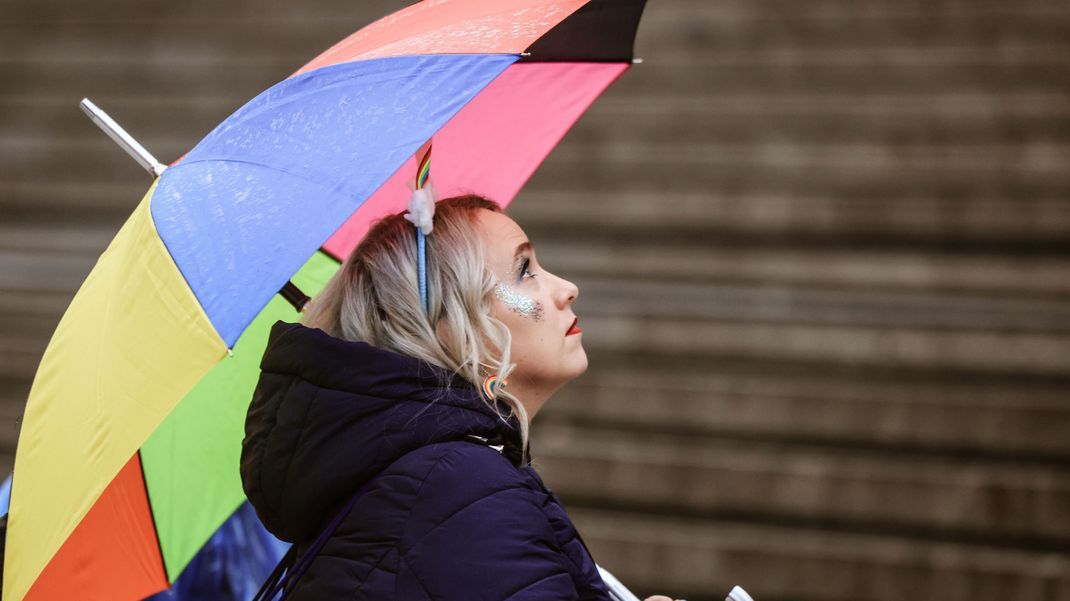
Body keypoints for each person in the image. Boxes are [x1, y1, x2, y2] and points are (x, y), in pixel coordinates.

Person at [241, 194, 677, 600]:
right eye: (524, 271)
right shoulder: (456, 487)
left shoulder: (437, 478)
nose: (566, 288)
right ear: (450, 327)